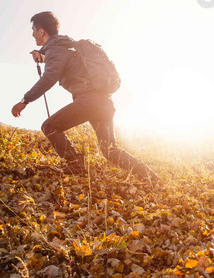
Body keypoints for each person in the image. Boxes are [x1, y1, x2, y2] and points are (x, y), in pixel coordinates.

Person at [11, 11, 157, 181]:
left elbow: (49, 77)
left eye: (33, 30)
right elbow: (64, 60)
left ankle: (75, 163)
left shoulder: (56, 49)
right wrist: (43, 57)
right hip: (104, 101)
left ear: (41, 31)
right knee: (110, 150)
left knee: (49, 126)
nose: (32, 34)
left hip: (89, 101)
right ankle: (152, 178)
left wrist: (25, 100)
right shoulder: (67, 45)